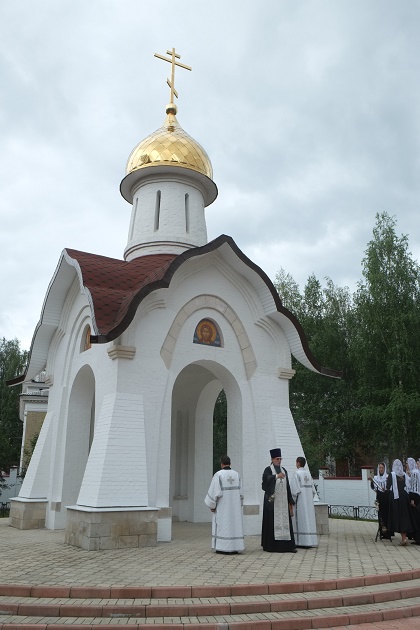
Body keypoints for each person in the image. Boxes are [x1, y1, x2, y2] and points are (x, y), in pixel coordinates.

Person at [204, 454, 245, 554]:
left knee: (224, 525)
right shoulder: (237, 475)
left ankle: (223, 547)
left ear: (221, 464)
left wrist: (212, 505)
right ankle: (235, 547)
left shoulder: (218, 475)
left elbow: (214, 493)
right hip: (234, 508)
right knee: (234, 525)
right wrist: (238, 505)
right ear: (230, 463)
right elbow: (241, 494)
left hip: (223, 507)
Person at [261, 448, 296, 553]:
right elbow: (265, 483)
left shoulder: (284, 470)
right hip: (272, 503)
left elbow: (287, 486)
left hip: (283, 502)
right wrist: (276, 476)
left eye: (280, 459)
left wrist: (290, 500)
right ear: (272, 459)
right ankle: (272, 546)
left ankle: (287, 546)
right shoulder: (268, 469)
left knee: (285, 523)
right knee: (272, 523)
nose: (279, 461)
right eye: (277, 459)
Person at [290, 457, 318, 548]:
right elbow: (313, 491)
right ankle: (311, 540)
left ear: (298, 463)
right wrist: (308, 499)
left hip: (300, 503)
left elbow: (294, 491)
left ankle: (301, 541)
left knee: (301, 520)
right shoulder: (308, 475)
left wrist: (292, 501)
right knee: (309, 520)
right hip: (308, 503)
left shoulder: (296, 474)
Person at [386, 459, 413, 546]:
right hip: (404, 497)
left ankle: (404, 538)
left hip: (396, 498)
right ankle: (404, 537)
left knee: (398, 517)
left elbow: (388, 486)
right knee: (404, 516)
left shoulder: (392, 474)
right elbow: (408, 485)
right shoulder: (404, 475)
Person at [369, 462, 393, 539]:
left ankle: (388, 532)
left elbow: (390, 487)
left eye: (382, 468)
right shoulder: (376, 478)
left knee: (387, 514)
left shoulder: (387, 477)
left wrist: (386, 490)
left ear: (384, 468)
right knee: (380, 514)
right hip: (379, 497)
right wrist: (372, 482)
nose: (381, 469)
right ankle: (382, 532)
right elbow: (374, 487)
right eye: (380, 468)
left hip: (386, 498)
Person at [406, 457, 420, 544]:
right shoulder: (415, 472)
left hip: (414, 496)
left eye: (407, 463)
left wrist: (412, 499)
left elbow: (413, 487)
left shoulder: (414, 473)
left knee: (416, 518)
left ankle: (418, 539)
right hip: (416, 495)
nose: (407, 465)